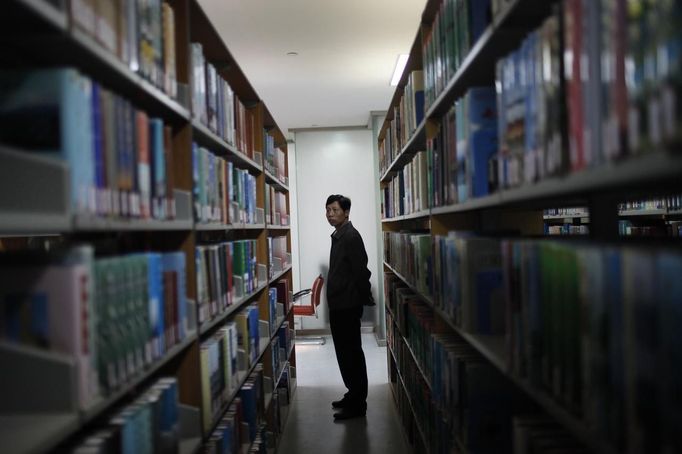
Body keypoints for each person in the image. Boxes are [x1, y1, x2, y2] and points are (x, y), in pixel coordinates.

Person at [324, 194, 375, 420]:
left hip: (347, 305)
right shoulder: (338, 235)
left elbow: (361, 271)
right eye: (327, 210)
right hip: (338, 305)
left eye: (334, 210)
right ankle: (352, 393)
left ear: (346, 212)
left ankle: (358, 404)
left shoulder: (351, 236)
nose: (330, 214)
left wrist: (363, 298)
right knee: (344, 354)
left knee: (352, 354)